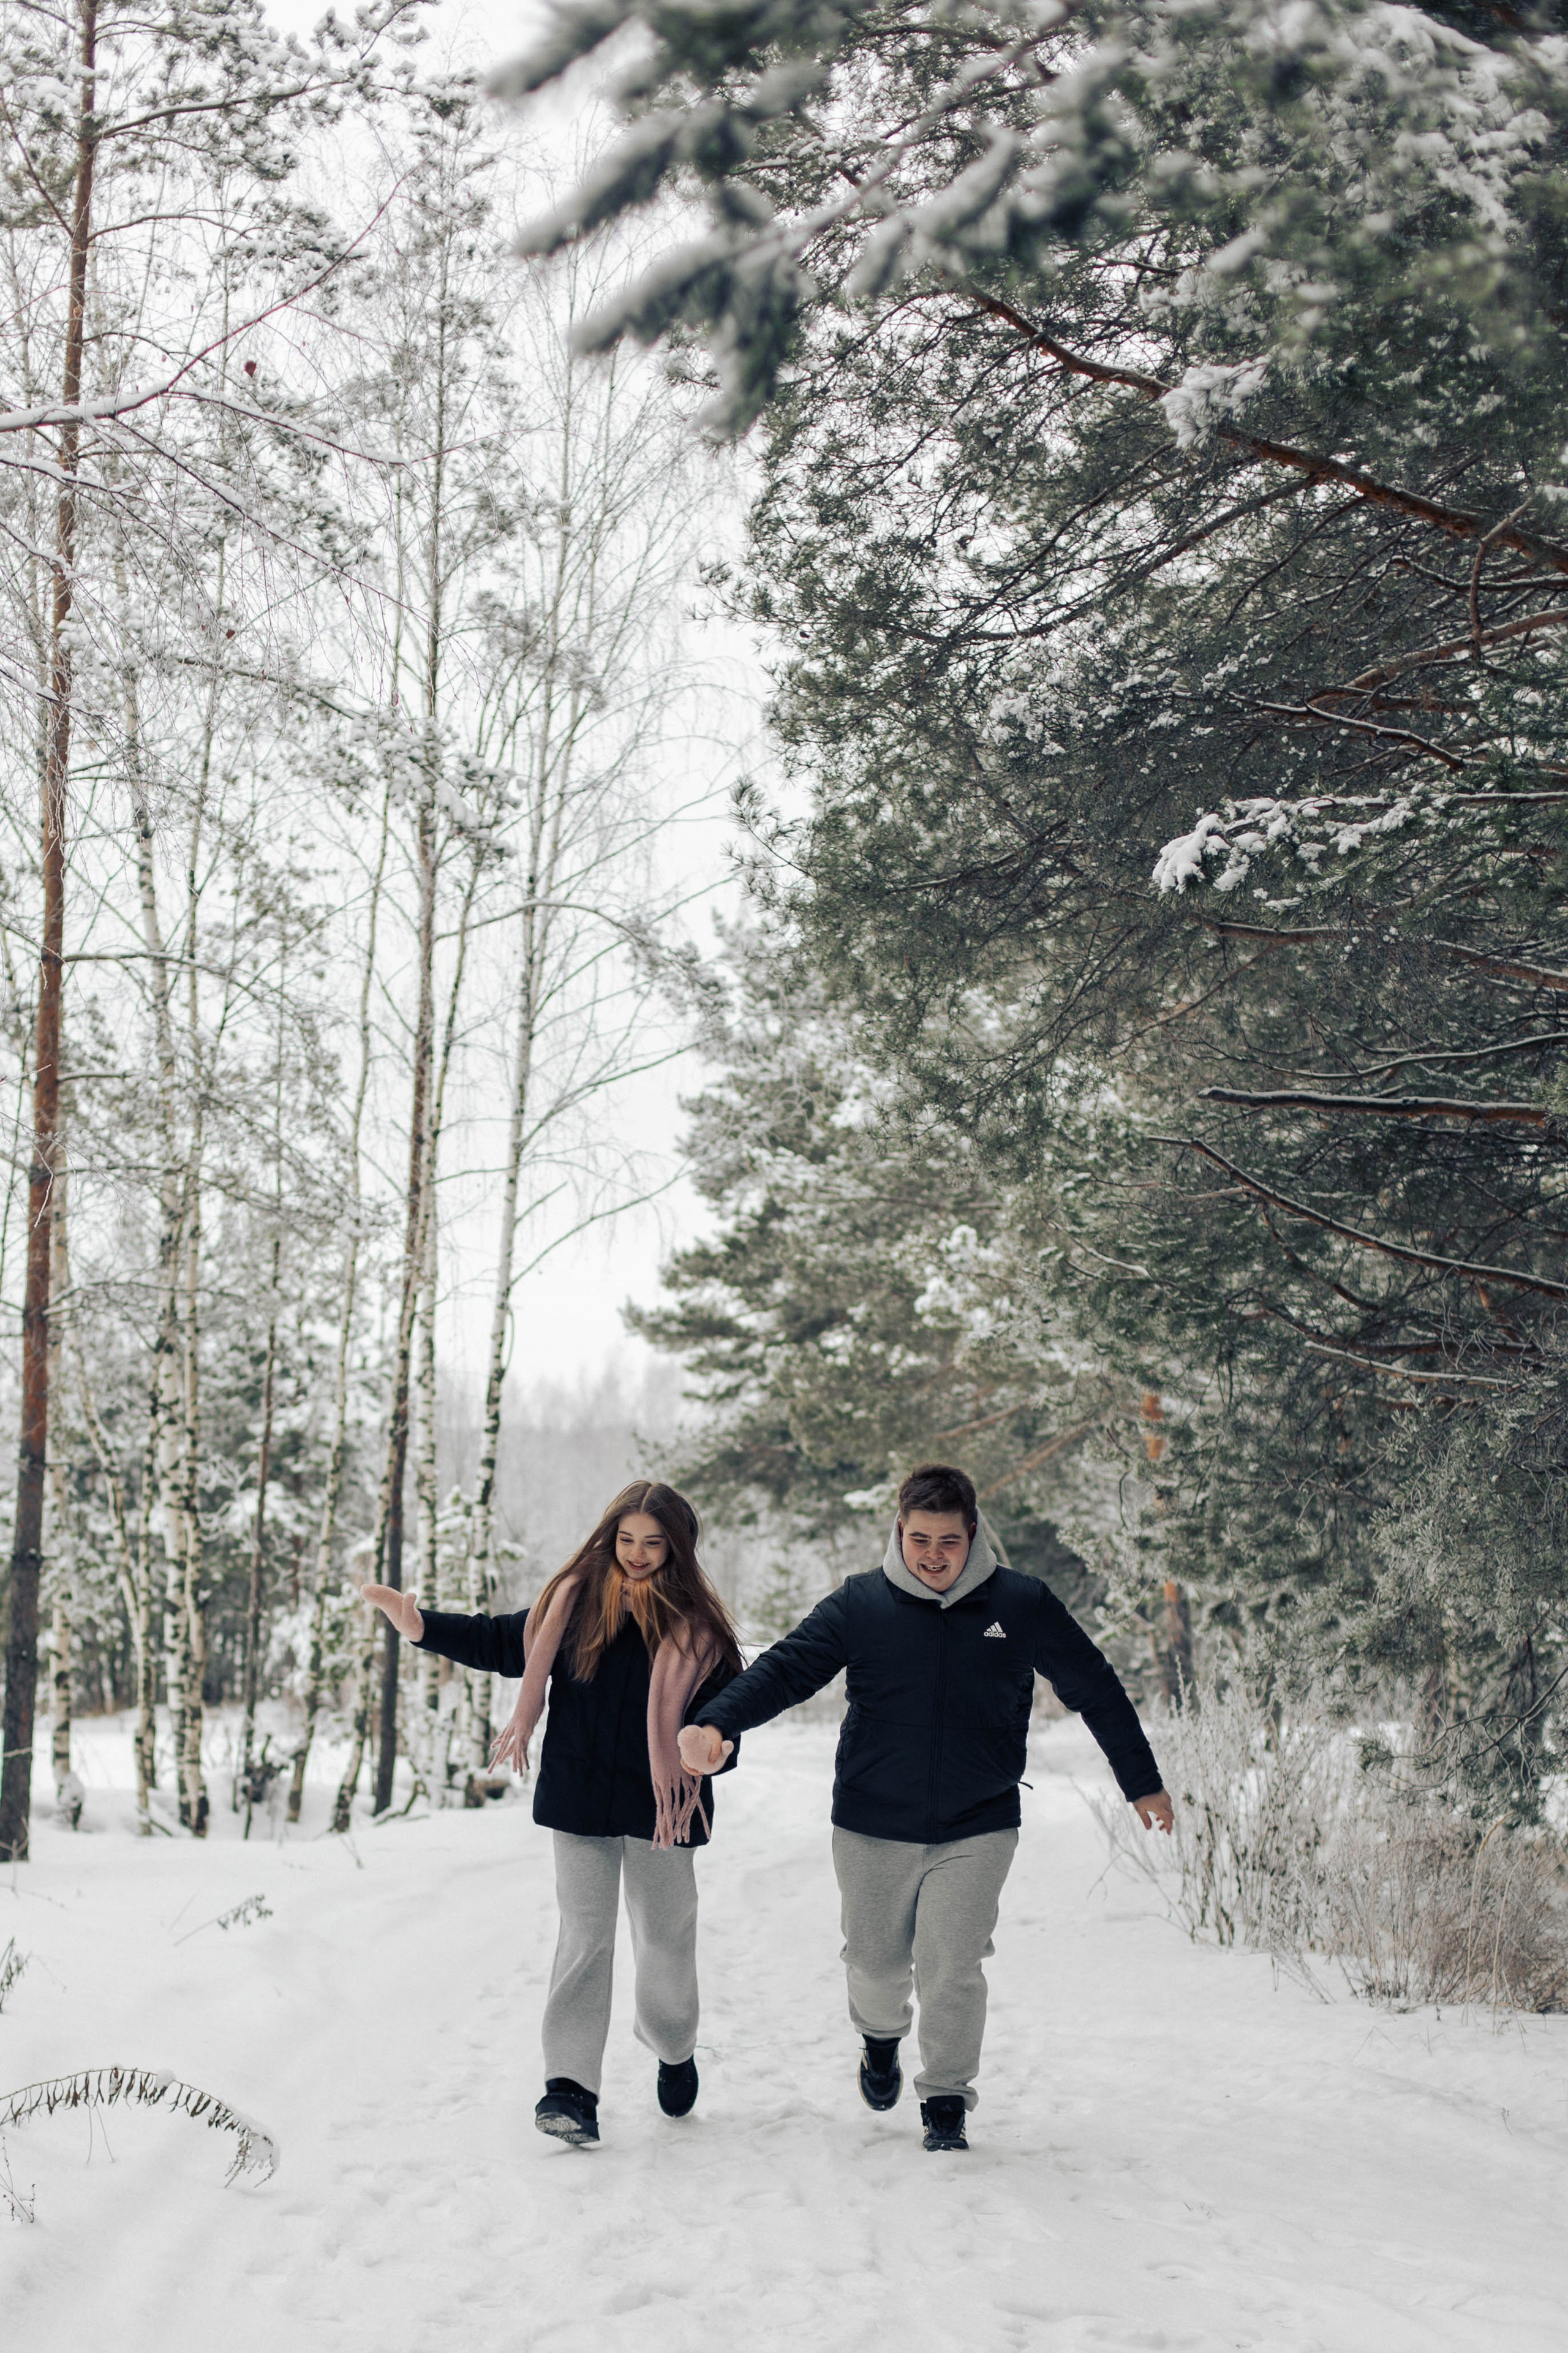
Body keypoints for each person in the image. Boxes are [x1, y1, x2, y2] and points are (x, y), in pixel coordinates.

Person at [678, 1462, 1173, 2153]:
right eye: (919, 1539)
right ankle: (880, 2040)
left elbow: (1094, 1684)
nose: (934, 1555)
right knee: (875, 1966)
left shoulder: (1021, 1604)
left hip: (979, 1820)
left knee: (952, 1964)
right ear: (899, 1532)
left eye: (948, 1540)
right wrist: (716, 1724)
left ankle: (945, 2098)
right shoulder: (861, 1605)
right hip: (871, 1821)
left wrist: (1140, 1779)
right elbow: (785, 1669)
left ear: (972, 1534)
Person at [362, 1479, 742, 2148]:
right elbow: (500, 1642)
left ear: (677, 1548)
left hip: (664, 1809)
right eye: (626, 1539)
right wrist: (418, 1625)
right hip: (580, 1799)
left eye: (653, 1543)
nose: (637, 1554)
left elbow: (726, 1718)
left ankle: (673, 2043)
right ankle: (570, 2088)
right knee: (583, 1939)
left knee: (662, 1938)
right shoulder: (571, 1605)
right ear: (609, 1536)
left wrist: (713, 1747)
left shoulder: (703, 1633)